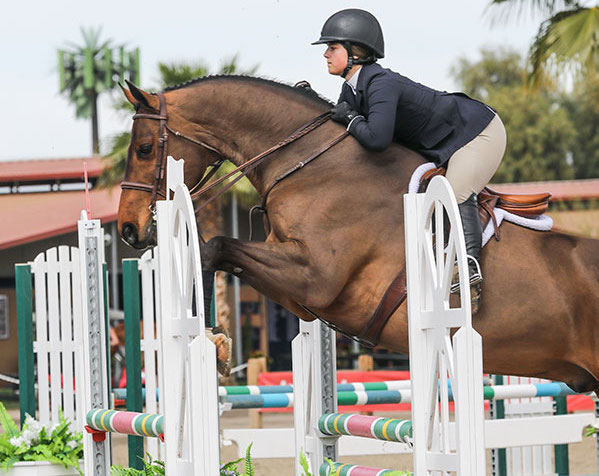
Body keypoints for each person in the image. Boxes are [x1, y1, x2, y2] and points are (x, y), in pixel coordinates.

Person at [312, 8, 507, 291]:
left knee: (454, 194)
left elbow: (376, 140)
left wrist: (351, 119)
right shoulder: (351, 91)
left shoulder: (382, 84)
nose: (325, 54)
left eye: (332, 47)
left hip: (476, 133)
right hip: (442, 144)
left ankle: (467, 268)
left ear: (355, 51)